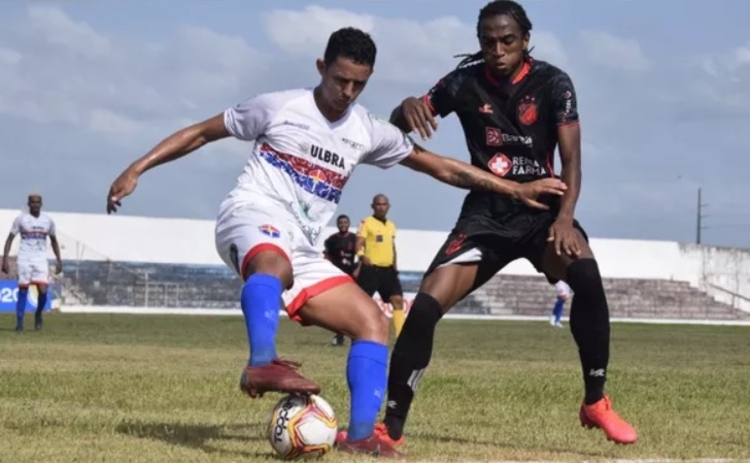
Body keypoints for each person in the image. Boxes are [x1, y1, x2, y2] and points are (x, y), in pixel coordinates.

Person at [105, 27, 567, 458]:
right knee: (273, 263)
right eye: (341, 79)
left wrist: (516, 189)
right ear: (321, 66)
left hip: (303, 247)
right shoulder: (279, 107)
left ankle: (361, 437)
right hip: (251, 215)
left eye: (359, 85)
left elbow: (442, 167)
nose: (347, 92)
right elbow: (202, 133)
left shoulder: (365, 130)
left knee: (371, 320)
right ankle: (261, 363)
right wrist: (136, 168)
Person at [377, 0, 638, 448]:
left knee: (588, 278)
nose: (497, 49)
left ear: (525, 40)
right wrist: (404, 108)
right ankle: (390, 431)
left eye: (507, 40)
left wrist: (567, 219)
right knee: (423, 308)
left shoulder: (554, 83)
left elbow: (572, 160)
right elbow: (398, 125)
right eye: (488, 41)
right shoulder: (463, 82)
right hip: (486, 213)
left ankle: (595, 401)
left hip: (543, 213)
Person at [1, 193, 62, 331]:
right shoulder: (21, 220)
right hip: (24, 258)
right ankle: (20, 322)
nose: (35, 204)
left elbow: (53, 241)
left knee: (43, 289)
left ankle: (38, 314)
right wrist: (5, 259)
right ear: (28, 204)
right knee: (23, 289)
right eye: (32, 202)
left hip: (40, 259)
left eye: (37, 202)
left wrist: (59, 260)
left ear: (41, 204)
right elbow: (9, 239)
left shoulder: (48, 221)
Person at [355, 194, 405, 338]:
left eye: (384, 204)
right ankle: (358, 332)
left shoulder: (391, 225)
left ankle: (401, 337)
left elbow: (392, 246)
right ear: (373, 206)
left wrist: (395, 265)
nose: (381, 207)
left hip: (388, 270)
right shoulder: (366, 222)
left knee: (397, 300)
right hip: (371, 269)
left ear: (388, 206)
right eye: (378, 204)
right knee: (362, 303)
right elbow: (358, 242)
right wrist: (361, 255)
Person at [323, 214, 357, 346]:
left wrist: (358, 269)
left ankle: (354, 334)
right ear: (338, 224)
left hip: (351, 277)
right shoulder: (332, 240)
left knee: (351, 307)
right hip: (337, 276)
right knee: (338, 307)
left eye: (345, 222)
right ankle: (339, 335)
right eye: (341, 222)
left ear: (349, 224)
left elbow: (361, 254)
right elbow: (326, 255)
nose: (343, 224)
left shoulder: (355, 239)